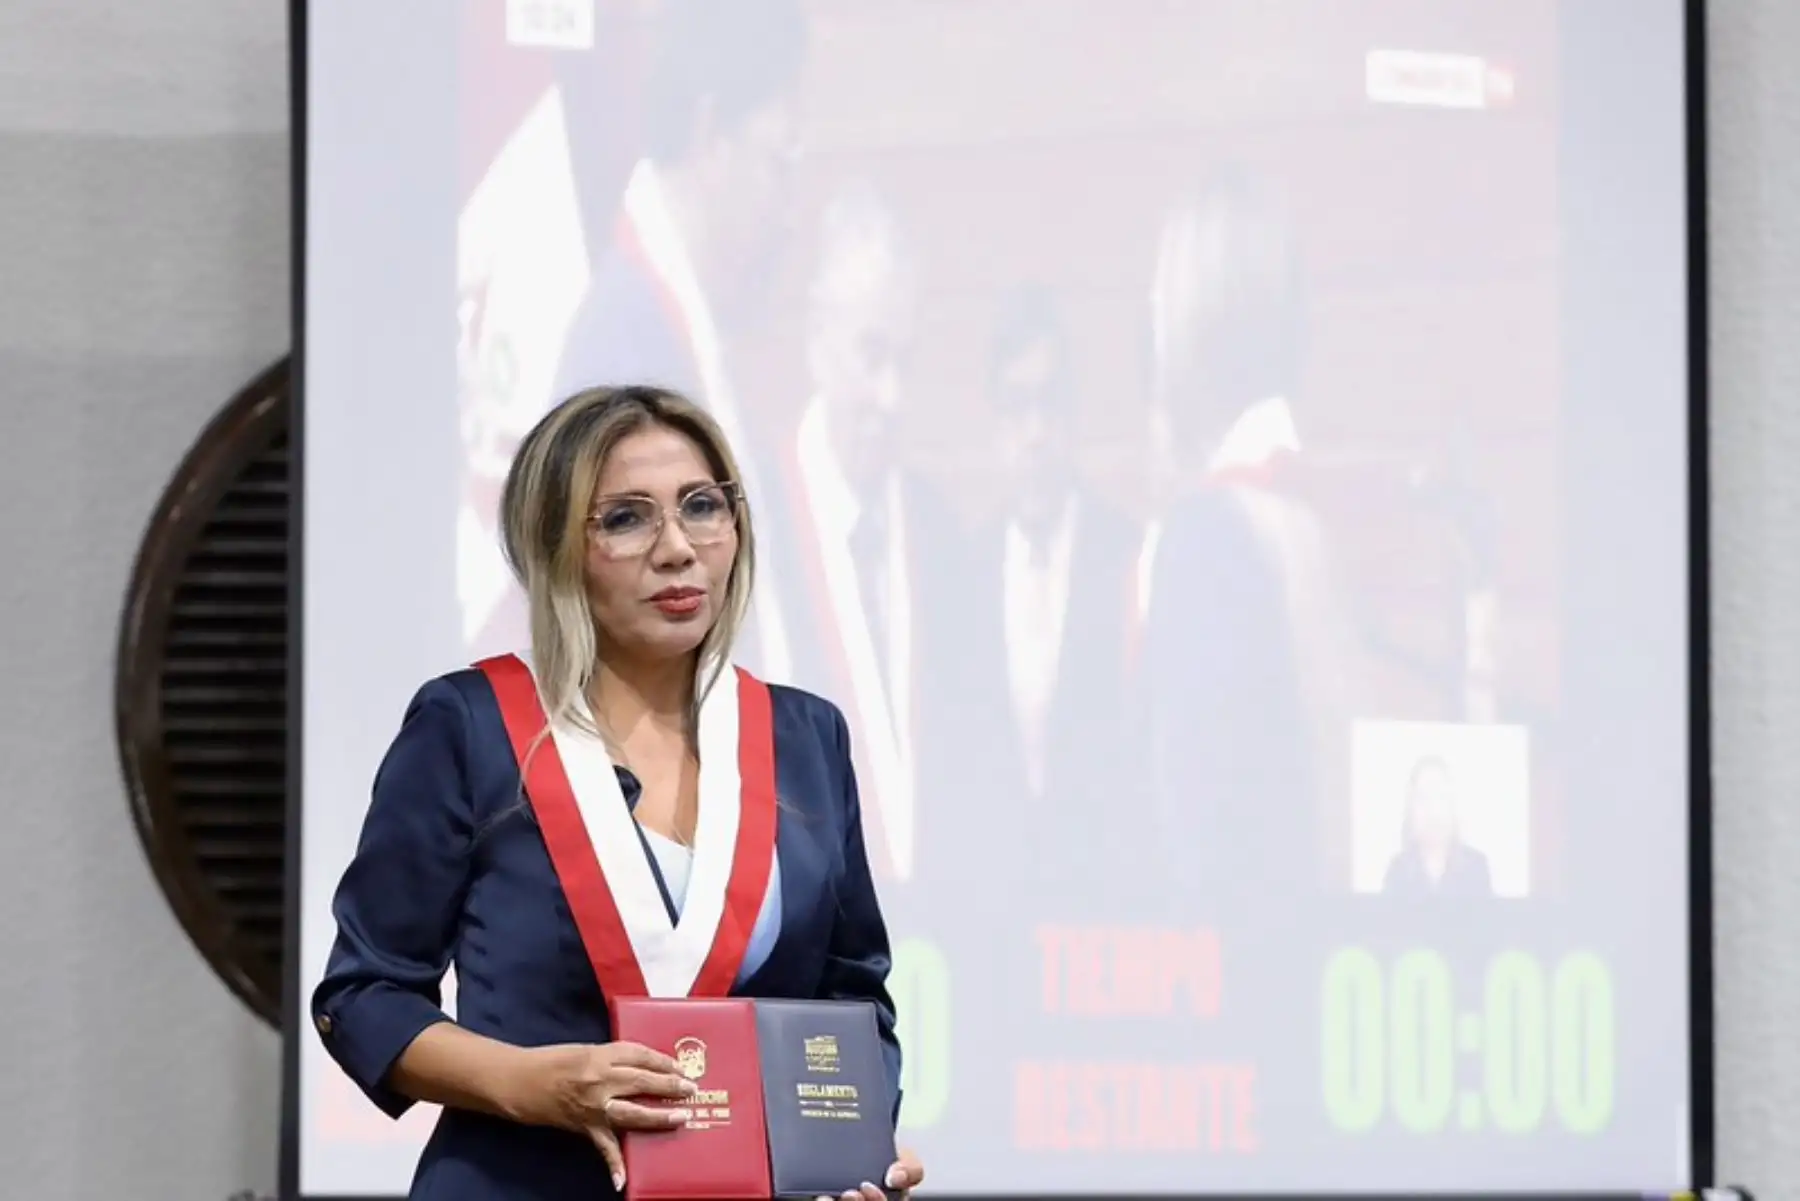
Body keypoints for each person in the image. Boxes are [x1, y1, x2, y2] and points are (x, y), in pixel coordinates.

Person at [311, 386, 926, 1201]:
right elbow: (365, 995)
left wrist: (853, 1154)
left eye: (703, 506)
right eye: (627, 518)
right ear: (555, 547)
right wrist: (533, 1084)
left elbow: (850, 999)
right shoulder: (471, 724)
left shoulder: (805, 736)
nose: (677, 548)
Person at [1133, 167, 1354, 895]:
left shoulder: (1208, 538)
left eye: (1163, 290)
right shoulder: (1307, 521)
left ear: (1199, 317)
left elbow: (1203, 839)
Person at [1381, 756, 1495, 898]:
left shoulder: (1476, 867)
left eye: (1440, 797)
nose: (1433, 811)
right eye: (1423, 798)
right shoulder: (1397, 871)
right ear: (1410, 809)